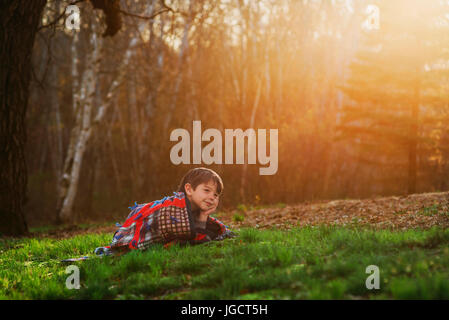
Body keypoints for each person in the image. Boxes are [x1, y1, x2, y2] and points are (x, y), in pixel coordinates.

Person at [94, 167, 235, 256]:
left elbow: (205, 228)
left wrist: (209, 221)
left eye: (216, 195)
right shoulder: (173, 207)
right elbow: (191, 233)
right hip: (139, 228)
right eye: (206, 190)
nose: (212, 197)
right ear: (189, 189)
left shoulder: (196, 212)